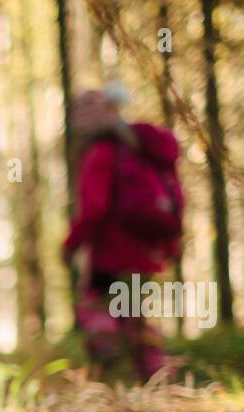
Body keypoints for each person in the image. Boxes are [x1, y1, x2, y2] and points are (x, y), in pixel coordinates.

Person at [62, 85, 183, 382]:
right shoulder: (137, 150)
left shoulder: (100, 154)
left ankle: (115, 382)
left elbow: (93, 210)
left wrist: (70, 245)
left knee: (99, 314)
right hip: (146, 254)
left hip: (110, 257)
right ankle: (157, 382)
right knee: (137, 318)